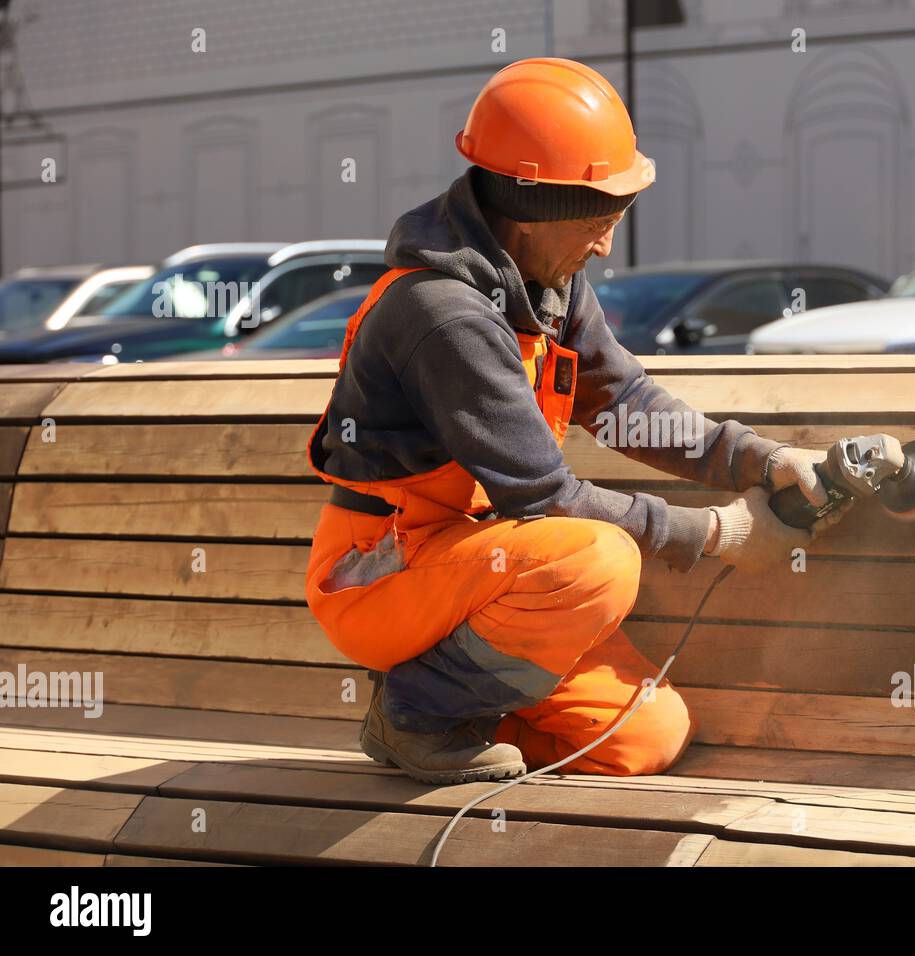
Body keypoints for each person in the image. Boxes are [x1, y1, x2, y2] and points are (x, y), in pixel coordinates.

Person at [304, 57, 849, 784]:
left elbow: (627, 407)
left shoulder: (548, 285)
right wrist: (721, 533)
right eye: (599, 221)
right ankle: (418, 715)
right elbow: (547, 500)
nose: (604, 245)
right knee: (597, 558)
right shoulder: (441, 315)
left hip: (489, 575)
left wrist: (760, 459)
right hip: (383, 575)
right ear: (535, 211)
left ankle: (467, 711)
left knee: (643, 738)